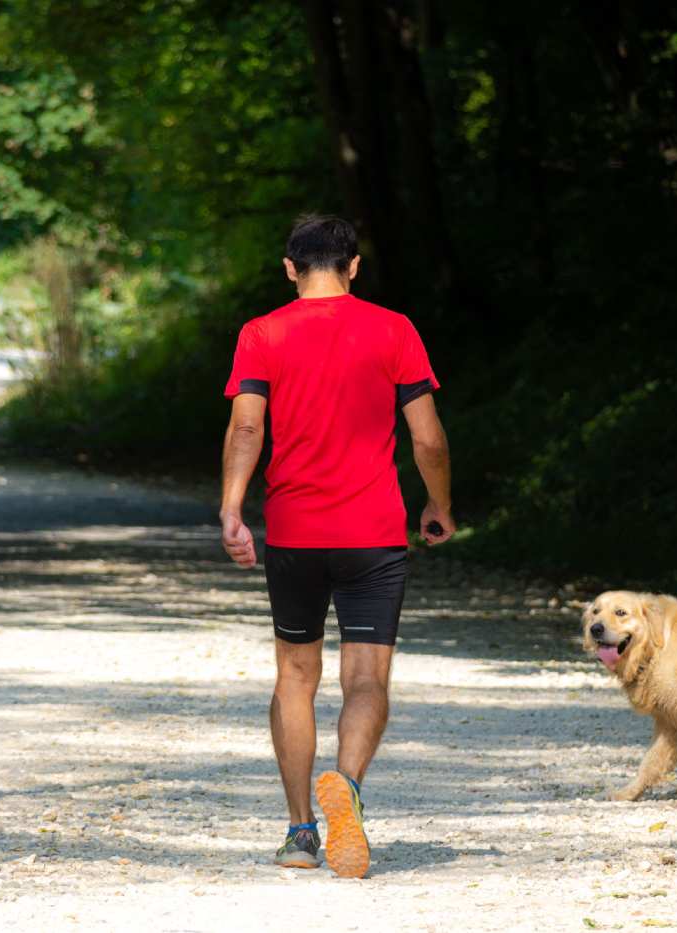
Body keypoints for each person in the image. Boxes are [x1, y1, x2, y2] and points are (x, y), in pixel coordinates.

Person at [219, 214, 455, 879]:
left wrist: (233, 508)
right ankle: (346, 785)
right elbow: (428, 439)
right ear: (354, 268)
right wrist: (437, 503)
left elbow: (246, 426)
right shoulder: (395, 329)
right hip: (374, 533)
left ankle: (300, 832)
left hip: (294, 532)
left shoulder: (261, 333)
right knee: (366, 679)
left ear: (289, 268)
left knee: (295, 675)